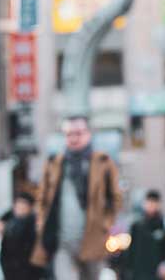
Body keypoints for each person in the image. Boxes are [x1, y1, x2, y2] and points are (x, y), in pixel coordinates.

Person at [30, 115, 123, 280]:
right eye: (68, 134)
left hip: (93, 239)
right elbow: (42, 199)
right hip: (62, 242)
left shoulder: (103, 163)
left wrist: (106, 224)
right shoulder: (54, 163)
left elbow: (116, 199)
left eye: (78, 133)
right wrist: (41, 223)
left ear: (88, 134)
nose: (73, 138)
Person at [123, 190, 165, 280]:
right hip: (138, 271)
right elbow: (131, 250)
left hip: (155, 271)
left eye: (154, 202)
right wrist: (127, 269)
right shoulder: (136, 225)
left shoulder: (164, 225)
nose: (151, 205)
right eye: (149, 202)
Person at [0, 192, 43, 280]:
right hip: (10, 268)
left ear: (30, 207)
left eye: (23, 205)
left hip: (26, 269)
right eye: (17, 204)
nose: (20, 208)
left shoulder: (31, 222)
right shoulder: (11, 221)